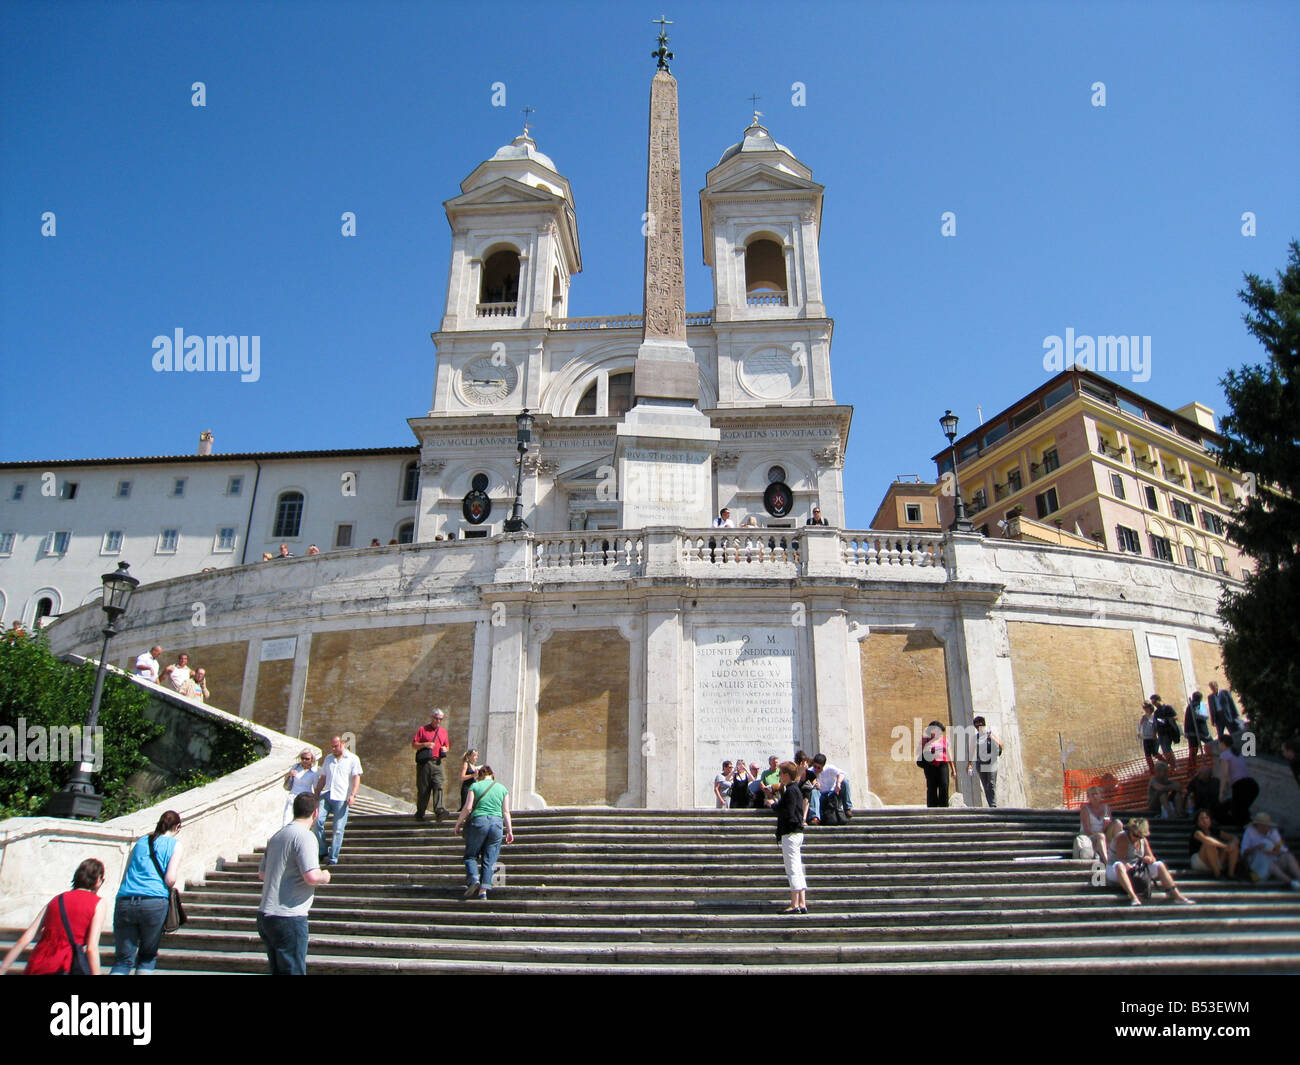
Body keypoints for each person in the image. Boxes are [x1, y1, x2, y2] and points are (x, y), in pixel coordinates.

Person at [257, 793, 332, 974]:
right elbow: (311, 877)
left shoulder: (278, 836)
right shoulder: (305, 837)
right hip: (289, 915)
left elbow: (262, 874)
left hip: (266, 915)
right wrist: (325, 875)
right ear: (315, 813)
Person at [1, 858, 108, 975]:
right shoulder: (98, 903)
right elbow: (92, 948)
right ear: (98, 880)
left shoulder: (57, 899)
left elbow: (25, 938)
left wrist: (3, 968)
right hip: (65, 964)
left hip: (38, 963)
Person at [110, 810, 182, 974]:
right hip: (154, 901)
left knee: (122, 960)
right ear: (177, 827)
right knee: (147, 956)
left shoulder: (141, 842)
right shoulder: (175, 845)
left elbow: (126, 871)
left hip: (126, 899)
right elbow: (170, 879)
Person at [455, 766, 513, 901]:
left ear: (479, 775)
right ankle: (483, 891)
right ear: (492, 775)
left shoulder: (475, 786)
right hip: (497, 824)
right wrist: (509, 830)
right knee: (490, 859)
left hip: (479, 822)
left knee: (470, 855)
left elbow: (468, 807)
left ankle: (474, 878)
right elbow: (506, 811)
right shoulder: (502, 788)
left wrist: (458, 823)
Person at [1108, 818, 1193, 906]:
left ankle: (1176, 895)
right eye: (1135, 835)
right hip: (1115, 869)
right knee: (1120, 865)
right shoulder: (1122, 837)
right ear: (1130, 830)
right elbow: (1121, 859)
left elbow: (1152, 857)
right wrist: (1130, 867)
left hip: (1136, 868)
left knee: (1159, 865)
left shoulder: (1143, 840)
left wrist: (1149, 858)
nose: (1137, 838)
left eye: (1140, 836)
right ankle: (1133, 897)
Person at [314, 735, 362, 864]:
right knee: (316, 821)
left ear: (343, 744)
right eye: (332, 746)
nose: (333, 749)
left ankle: (333, 857)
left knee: (338, 828)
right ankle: (322, 850)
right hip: (327, 794)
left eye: (336, 746)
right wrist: (316, 793)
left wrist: (353, 795)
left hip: (342, 797)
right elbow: (323, 778)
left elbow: (356, 778)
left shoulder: (352, 759)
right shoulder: (328, 759)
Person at [774, 762, 808, 914]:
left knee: (792, 869)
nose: (779, 776)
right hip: (796, 833)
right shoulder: (795, 790)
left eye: (780, 773)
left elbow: (788, 811)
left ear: (786, 775)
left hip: (790, 833)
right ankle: (802, 902)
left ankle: (794, 904)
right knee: (798, 869)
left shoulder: (790, 791)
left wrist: (775, 806)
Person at [1240, 812, 1300, 889]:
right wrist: (1257, 847)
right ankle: (1291, 882)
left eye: (1266, 825)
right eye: (1262, 825)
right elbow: (1244, 852)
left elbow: (1283, 849)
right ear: (1257, 825)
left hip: (1274, 858)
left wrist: (1273, 852)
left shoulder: (1273, 832)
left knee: (1289, 856)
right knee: (1267, 862)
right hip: (1257, 861)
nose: (1265, 828)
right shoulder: (1249, 832)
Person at [412, 709, 451, 822]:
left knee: (439, 785)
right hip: (425, 763)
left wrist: (445, 749)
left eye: (440, 719)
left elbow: (447, 746)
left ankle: (439, 810)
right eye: (436, 718)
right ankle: (420, 812)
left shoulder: (443, 732)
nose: (438, 721)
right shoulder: (422, 730)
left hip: (438, 762)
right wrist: (425, 744)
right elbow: (414, 745)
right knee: (424, 789)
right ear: (432, 718)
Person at [1218, 734, 1259, 826]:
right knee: (1242, 809)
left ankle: (1245, 829)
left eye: (1219, 743)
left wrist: (1221, 792)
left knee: (1237, 811)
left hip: (1240, 785)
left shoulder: (1224, 755)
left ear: (1222, 744)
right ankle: (1248, 826)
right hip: (1251, 784)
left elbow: (1224, 774)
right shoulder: (1237, 754)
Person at [1188, 809, 1239, 880]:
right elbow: (1206, 840)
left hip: (1214, 859)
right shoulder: (1197, 831)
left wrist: (1233, 843)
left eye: (1206, 818)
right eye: (1202, 818)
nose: (1204, 820)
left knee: (1234, 846)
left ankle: (1231, 874)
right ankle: (1218, 874)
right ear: (1197, 821)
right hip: (1200, 861)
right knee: (1208, 844)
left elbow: (1233, 837)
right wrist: (1224, 846)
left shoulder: (1214, 830)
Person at [1079, 785, 1123, 863]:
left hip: (1103, 833)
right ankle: (1107, 862)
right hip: (1090, 837)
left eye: (1096, 794)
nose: (1095, 796)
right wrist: (1100, 835)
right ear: (1088, 797)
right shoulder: (1085, 809)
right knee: (1100, 836)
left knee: (1118, 823)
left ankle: (1120, 854)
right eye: (1092, 795)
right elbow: (1087, 829)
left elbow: (1107, 821)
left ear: (1100, 795)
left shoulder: (1106, 808)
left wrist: (1105, 827)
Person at [918, 721, 956, 808]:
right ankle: (932, 806)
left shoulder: (944, 740)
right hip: (930, 765)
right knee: (932, 786)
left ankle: (943, 806)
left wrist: (953, 769)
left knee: (944, 784)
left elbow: (949, 755)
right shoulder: (925, 739)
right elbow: (922, 751)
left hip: (942, 764)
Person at [966, 715, 1002, 808]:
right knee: (985, 784)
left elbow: (1001, 745)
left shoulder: (990, 734)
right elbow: (971, 751)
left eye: (980, 725)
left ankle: (993, 804)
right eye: (977, 726)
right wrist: (969, 764)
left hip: (991, 762)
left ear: (984, 725)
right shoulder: (975, 738)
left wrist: (992, 738)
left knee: (991, 783)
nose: (979, 728)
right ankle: (990, 804)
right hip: (980, 763)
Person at [808, 753, 852, 822]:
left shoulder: (829, 768)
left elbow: (841, 774)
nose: (816, 769)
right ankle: (815, 817)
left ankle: (847, 808)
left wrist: (838, 783)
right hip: (821, 796)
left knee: (845, 782)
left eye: (819, 767)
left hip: (832, 795)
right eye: (815, 766)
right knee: (814, 792)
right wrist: (815, 786)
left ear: (823, 766)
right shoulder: (810, 771)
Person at [283, 748, 321, 826]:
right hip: (292, 797)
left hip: (305, 799)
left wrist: (316, 802)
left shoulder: (314, 772)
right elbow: (285, 779)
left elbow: (316, 788)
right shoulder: (296, 767)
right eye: (302, 758)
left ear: (312, 760)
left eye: (307, 759)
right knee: (286, 821)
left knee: (301, 823)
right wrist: (289, 774)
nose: (304, 761)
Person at [1184, 691, 1212, 769]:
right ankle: (1191, 769)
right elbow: (1194, 716)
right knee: (1194, 751)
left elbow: (1200, 715)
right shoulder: (1193, 705)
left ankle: (1191, 769)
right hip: (1196, 731)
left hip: (1197, 731)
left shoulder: (1194, 705)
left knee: (1194, 752)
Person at [1151, 694, 1180, 769]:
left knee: (1167, 750)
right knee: (1166, 750)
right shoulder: (1156, 712)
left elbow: (1176, 717)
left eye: (1154, 702)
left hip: (1169, 731)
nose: (1154, 705)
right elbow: (1155, 724)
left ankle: (1174, 766)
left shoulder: (1168, 708)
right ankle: (1173, 765)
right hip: (1162, 733)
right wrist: (1154, 733)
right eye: (1153, 703)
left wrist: (1167, 720)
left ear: (1158, 700)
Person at [1137, 701, 1158, 773]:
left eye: (1147, 708)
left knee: (1155, 753)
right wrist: (1139, 733)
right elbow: (1139, 725)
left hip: (1153, 737)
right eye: (1144, 708)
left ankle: (1165, 763)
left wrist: (1155, 734)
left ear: (1150, 708)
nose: (1145, 709)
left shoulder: (1154, 716)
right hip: (1145, 738)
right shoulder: (1143, 717)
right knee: (1147, 755)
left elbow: (1156, 725)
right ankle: (1152, 769)